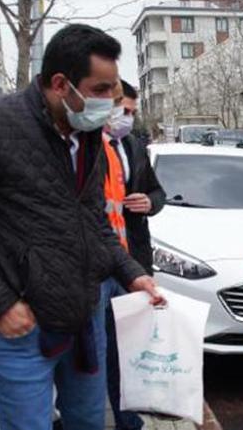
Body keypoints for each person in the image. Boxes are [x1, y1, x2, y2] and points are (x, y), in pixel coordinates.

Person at [0, 25, 164, 430]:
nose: (111, 103)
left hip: (85, 319)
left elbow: (94, 221)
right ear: (60, 83)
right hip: (21, 328)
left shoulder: (87, 136)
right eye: (101, 90)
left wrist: (132, 274)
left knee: (88, 422)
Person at [101, 79, 166, 430]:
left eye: (131, 112)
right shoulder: (87, 147)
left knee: (129, 345)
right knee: (103, 348)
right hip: (99, 264)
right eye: (122, 110)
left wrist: (149, 203)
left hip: (134, 258)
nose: (127, 117)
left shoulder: (134, 145)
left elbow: (157, 191)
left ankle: (128, 417)